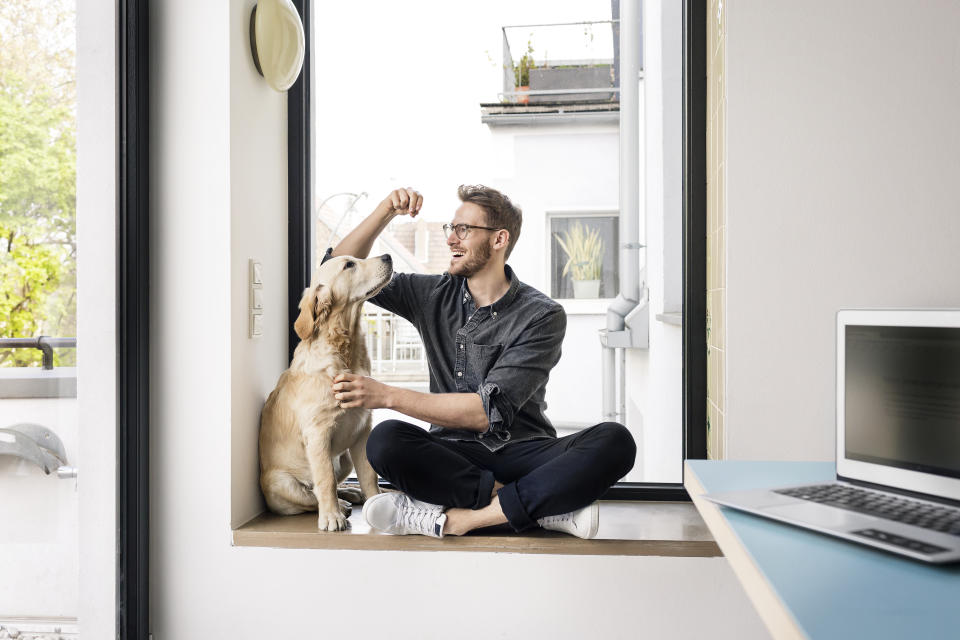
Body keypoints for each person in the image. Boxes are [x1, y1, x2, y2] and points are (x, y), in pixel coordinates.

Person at [325, 185, 636, 539]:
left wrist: (386, 396)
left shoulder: (542, 315)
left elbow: (484, 413)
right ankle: (538, 511)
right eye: (451, 229)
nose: (451, 239)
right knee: (385, 441)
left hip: (523, 451)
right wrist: (384, 210)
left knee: (616, 441)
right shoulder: (432, 295)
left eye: (464, 230)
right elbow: (335, 269)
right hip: (451, 457)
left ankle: (459, 520)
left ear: (499, 239)